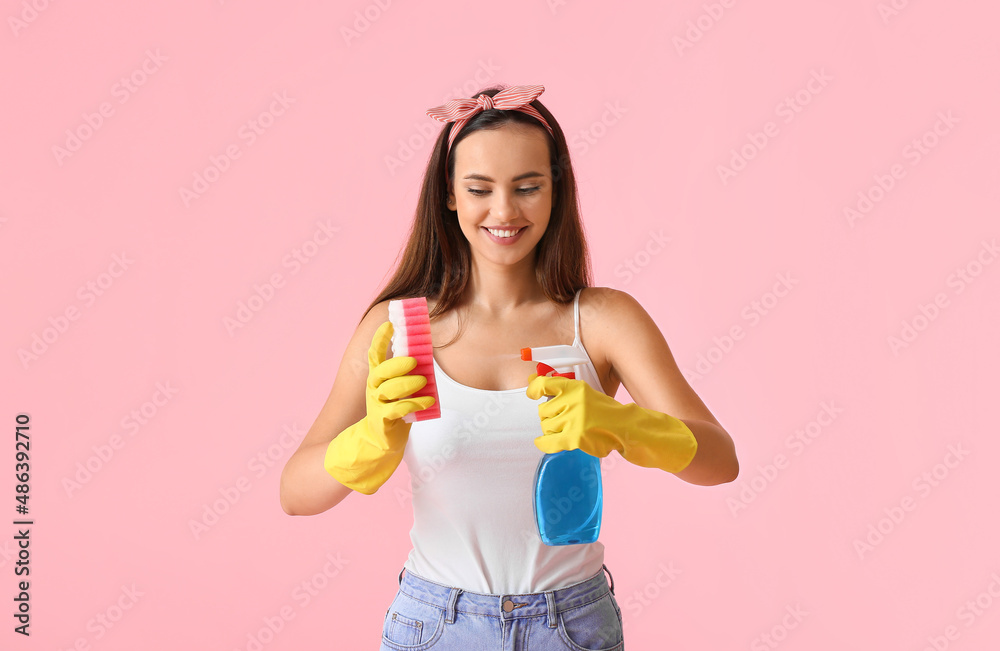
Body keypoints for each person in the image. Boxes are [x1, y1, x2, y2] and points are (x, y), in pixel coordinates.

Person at [279, 84, 739, 649]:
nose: (503, 212)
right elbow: (295, 494)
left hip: (571, 625)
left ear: (555, 193)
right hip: (433, 625)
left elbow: (721, 461)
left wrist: (622, 425)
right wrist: (372, 438)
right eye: (479, 189)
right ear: (449, 195)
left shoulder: (602, 322)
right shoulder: (395, 330)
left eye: (528, 188)